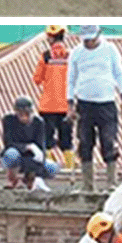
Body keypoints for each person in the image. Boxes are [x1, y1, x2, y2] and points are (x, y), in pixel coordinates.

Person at [67, 25, 122, 192]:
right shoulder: (76, 53)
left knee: (109, 141)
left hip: (106, 103)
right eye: (86, 40)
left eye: (92, 39)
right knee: (85, 142)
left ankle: (111, 183)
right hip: (84, 104)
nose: (89, 43)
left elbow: (118, 73)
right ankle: (87, 185)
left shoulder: (109, 50)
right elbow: (71, 80)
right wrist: (70, 105)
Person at [33, 25, 74, 169]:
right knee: (67, 141)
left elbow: (37, 79)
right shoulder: (71, 56)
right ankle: (70, 171)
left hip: (48, 106)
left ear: (51, 37)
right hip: (66, 106)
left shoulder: (46, 56)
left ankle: (50, 168)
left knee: (47, 140)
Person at [1, 97, 58, 193]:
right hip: (16, 153)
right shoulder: (9, 121)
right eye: (21, 115)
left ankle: (30, 181)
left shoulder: (38, 123)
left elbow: (41, 148)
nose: (24, 118)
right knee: (12, 154)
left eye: (27, 115)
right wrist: (27, 147)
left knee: (52, 167)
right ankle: (13, 180)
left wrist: (38, 173)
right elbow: (8, 143)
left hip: (31, 157)